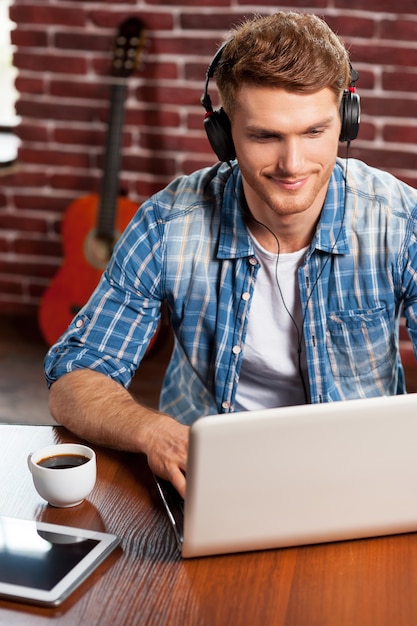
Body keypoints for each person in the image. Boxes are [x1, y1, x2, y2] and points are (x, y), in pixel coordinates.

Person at [44, 11, 417, 499]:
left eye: (314, 132)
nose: (293, 164)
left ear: (346, 120)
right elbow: (75, 377)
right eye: (265, 136)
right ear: (223, 134)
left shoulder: (398, 218)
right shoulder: (166, 224)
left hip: (360, 475)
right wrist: (153, 431)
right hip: (210, 479)